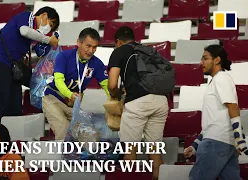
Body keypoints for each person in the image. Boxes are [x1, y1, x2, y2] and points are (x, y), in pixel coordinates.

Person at [107, 26, 168, 180]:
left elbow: (112, 84)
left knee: (130, 151)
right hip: (160, 101)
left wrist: (116, 95)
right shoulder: (148, 50)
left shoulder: (119, 51)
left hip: (138, 102)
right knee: (154, 151)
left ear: (118, 42)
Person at [0, 7, 60, 123]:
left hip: (12, 70)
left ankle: (11, 137)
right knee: (0, 107)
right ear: (44, 15)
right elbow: (24, 30)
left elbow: (26, 59)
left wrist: (45, 57)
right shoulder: (27, 17)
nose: (48, 29)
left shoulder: (29, 38)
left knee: (14, 108)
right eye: (50, 24)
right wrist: (48, 40)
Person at [183, 45, 247, 180]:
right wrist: (195, 145)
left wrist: (239, 138)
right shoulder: (217, 80)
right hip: (224, 142)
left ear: (217, 60)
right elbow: (213, 120)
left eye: (205, 58)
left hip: (216, 142)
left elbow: (233, 107)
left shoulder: (221, 78)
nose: (201, 63)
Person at [42, 27, 110, 140]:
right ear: (78, 42)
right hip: (53, 98)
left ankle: (81, 157)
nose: (91, 51)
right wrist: (70, 95)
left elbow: (107, 86)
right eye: (88, 46)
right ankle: (61, 157)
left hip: (73, 106)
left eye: (94, 47)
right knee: (62, 128)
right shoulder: (64, 57)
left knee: (90, 135)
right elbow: (59, 81)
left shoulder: (97, 64)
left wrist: (115, 102)